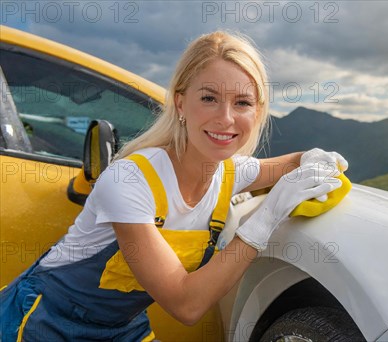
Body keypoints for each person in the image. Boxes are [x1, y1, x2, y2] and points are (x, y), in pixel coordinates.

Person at [0, 31, 348, 341]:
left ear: (257, 112)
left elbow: (292, 163)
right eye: (209, 98)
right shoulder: (130, 180)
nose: (225, 118)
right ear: (181, 102)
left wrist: (317, 158)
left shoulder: (230, 173)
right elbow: (186, 304)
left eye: (242, 102)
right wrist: (267, 216)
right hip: (42, 322)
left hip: (123, 327)